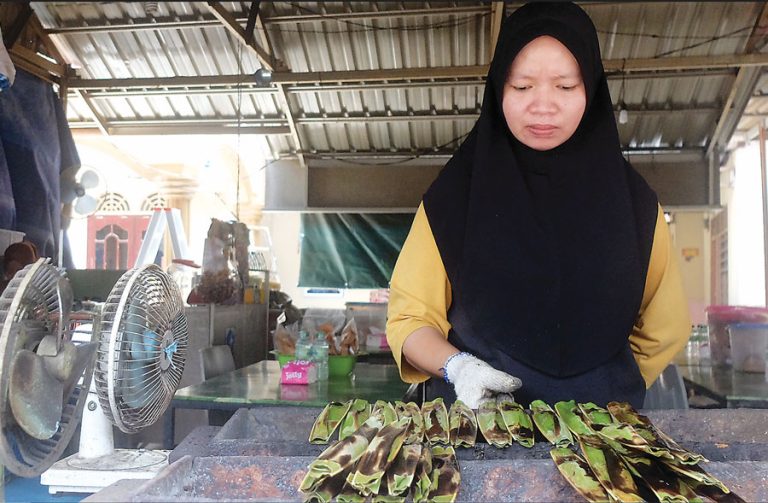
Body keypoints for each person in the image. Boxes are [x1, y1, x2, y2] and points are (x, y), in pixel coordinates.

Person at [386, 1, 690, 410]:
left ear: (592, 88)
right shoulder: (453, 198)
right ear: (497, 89)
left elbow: (665, 327)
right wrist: (458, 368)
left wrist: (607, 383)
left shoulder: (636, 206)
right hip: (474, 435)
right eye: (522, 86)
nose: (542, 105)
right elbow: (410, 321)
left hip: (602, 448)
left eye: (565, 86)